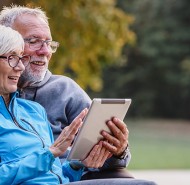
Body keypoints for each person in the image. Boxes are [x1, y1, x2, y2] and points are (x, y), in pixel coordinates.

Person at [0, 25, 156, 185]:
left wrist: (78, 164)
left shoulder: (34, 111)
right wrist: (50, 153)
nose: (20, 66)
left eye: (20, 58)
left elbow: (57, 175)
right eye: (12, 58)